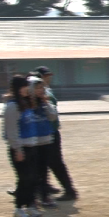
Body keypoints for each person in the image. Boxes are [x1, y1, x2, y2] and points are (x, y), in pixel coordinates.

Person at [3, 75, 55, 217]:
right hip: (21, 148)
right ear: (18, 88)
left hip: (32, 145)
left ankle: (31, 206)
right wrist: (18, 149)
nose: (28, 89)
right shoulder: (12, 106)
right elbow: (11, 131)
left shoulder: (27, 103)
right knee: (24, 179)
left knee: (33, 178)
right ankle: (19, 208)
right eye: (25, 86)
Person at [33, 66, 78, 201]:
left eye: (48, 76)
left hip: (50, 132)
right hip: (47, 132)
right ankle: (45, 187)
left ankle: (69, 190)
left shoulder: (46, 93)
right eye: (45, 76)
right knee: (44, 163)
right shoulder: (45, 91)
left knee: (54, 162)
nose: (48, 78)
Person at [27, 76, 57, 209]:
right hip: (32, 142)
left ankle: (44, 196)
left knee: (44, 171)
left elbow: (53, 116)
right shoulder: (25, 104)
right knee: (32, 172)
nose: (40, 90)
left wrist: (46, 103)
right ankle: (32, 197)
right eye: (37, 88)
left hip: (45, 140)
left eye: (41, 88)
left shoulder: (44, 103)